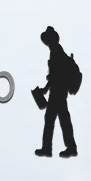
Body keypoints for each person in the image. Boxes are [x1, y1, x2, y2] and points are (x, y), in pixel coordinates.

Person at [32, 25, 80, 159]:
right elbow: (54, 74)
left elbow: (56, 74)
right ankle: (65, 147)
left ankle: (55, 147)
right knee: (60, 118)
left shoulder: (56, 51)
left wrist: (47, 88)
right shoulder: (55, 51)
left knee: (55, 119)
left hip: (58, 91)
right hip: (57, 90)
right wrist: (46, 88)